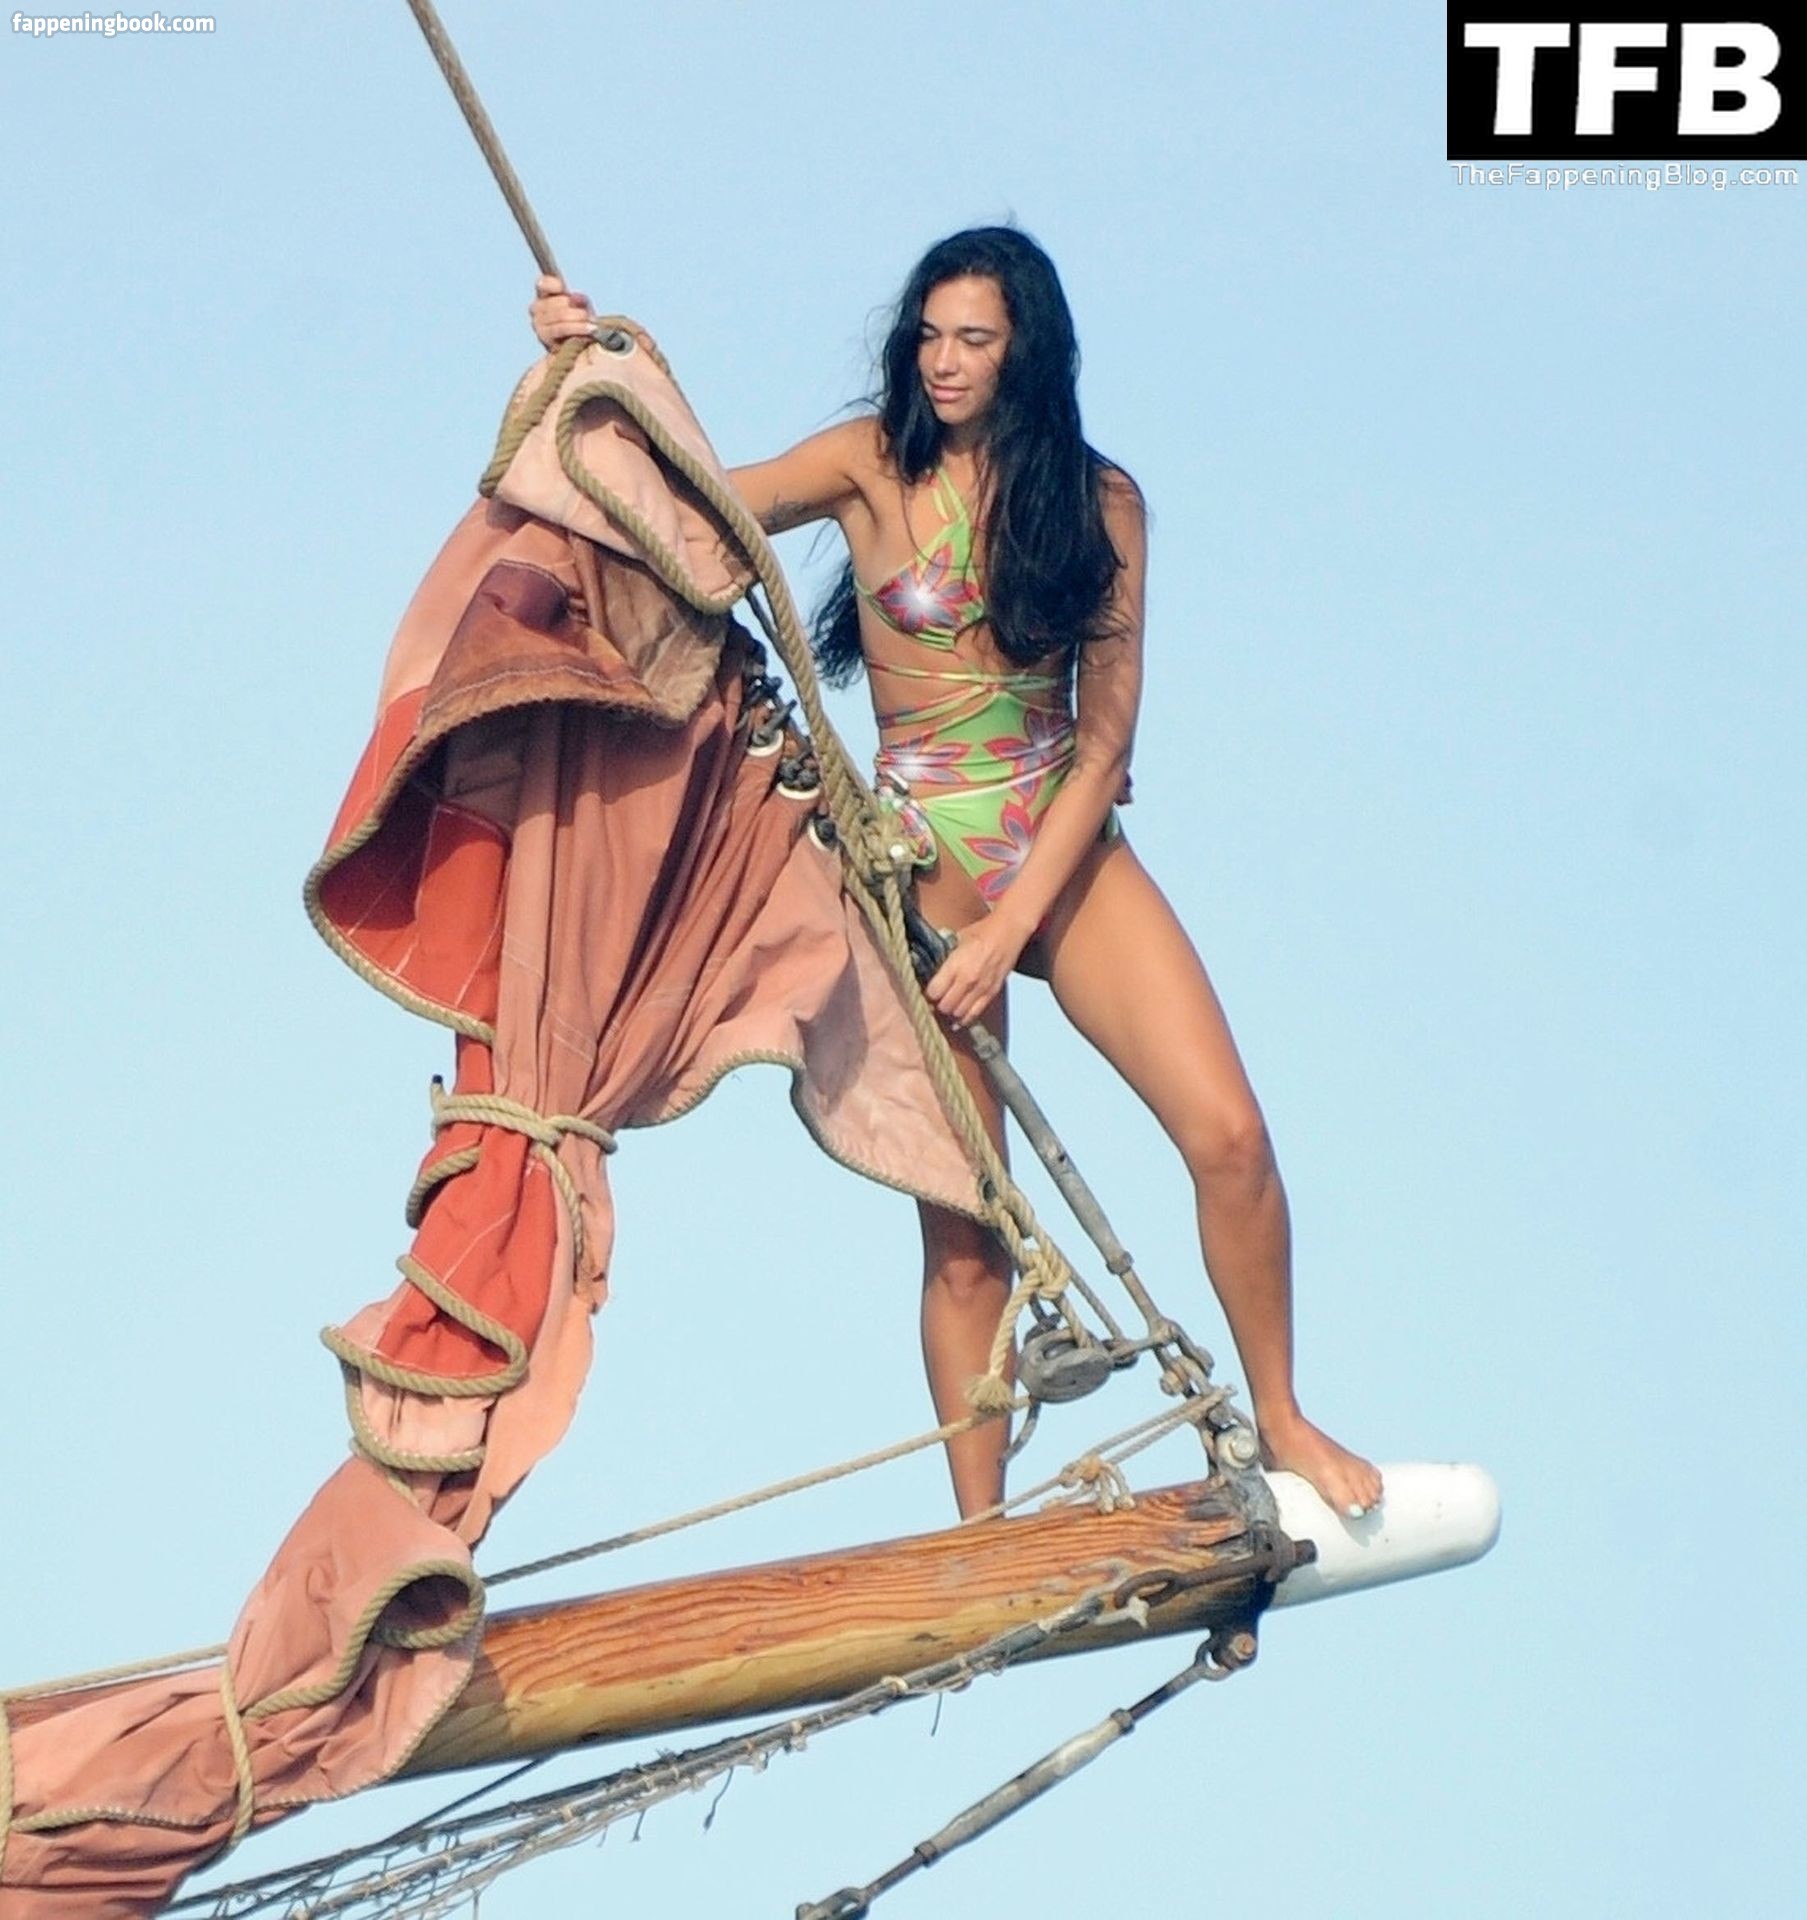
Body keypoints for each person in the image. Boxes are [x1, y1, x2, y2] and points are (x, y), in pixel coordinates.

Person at [529, 227, 1382, 1524]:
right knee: (968, 1229)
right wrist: (592, 375)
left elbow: (1105, 748)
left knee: (1233, 1140)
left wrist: (1011, 930)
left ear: (1026, 351)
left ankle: (1284, 1416)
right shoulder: (871, 465)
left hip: (1058, 849)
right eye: (929, 335)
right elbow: (694, 505)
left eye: (974, 338)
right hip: (917, 868)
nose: (943, 360)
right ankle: (979, 1527)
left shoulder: (1099, 502)